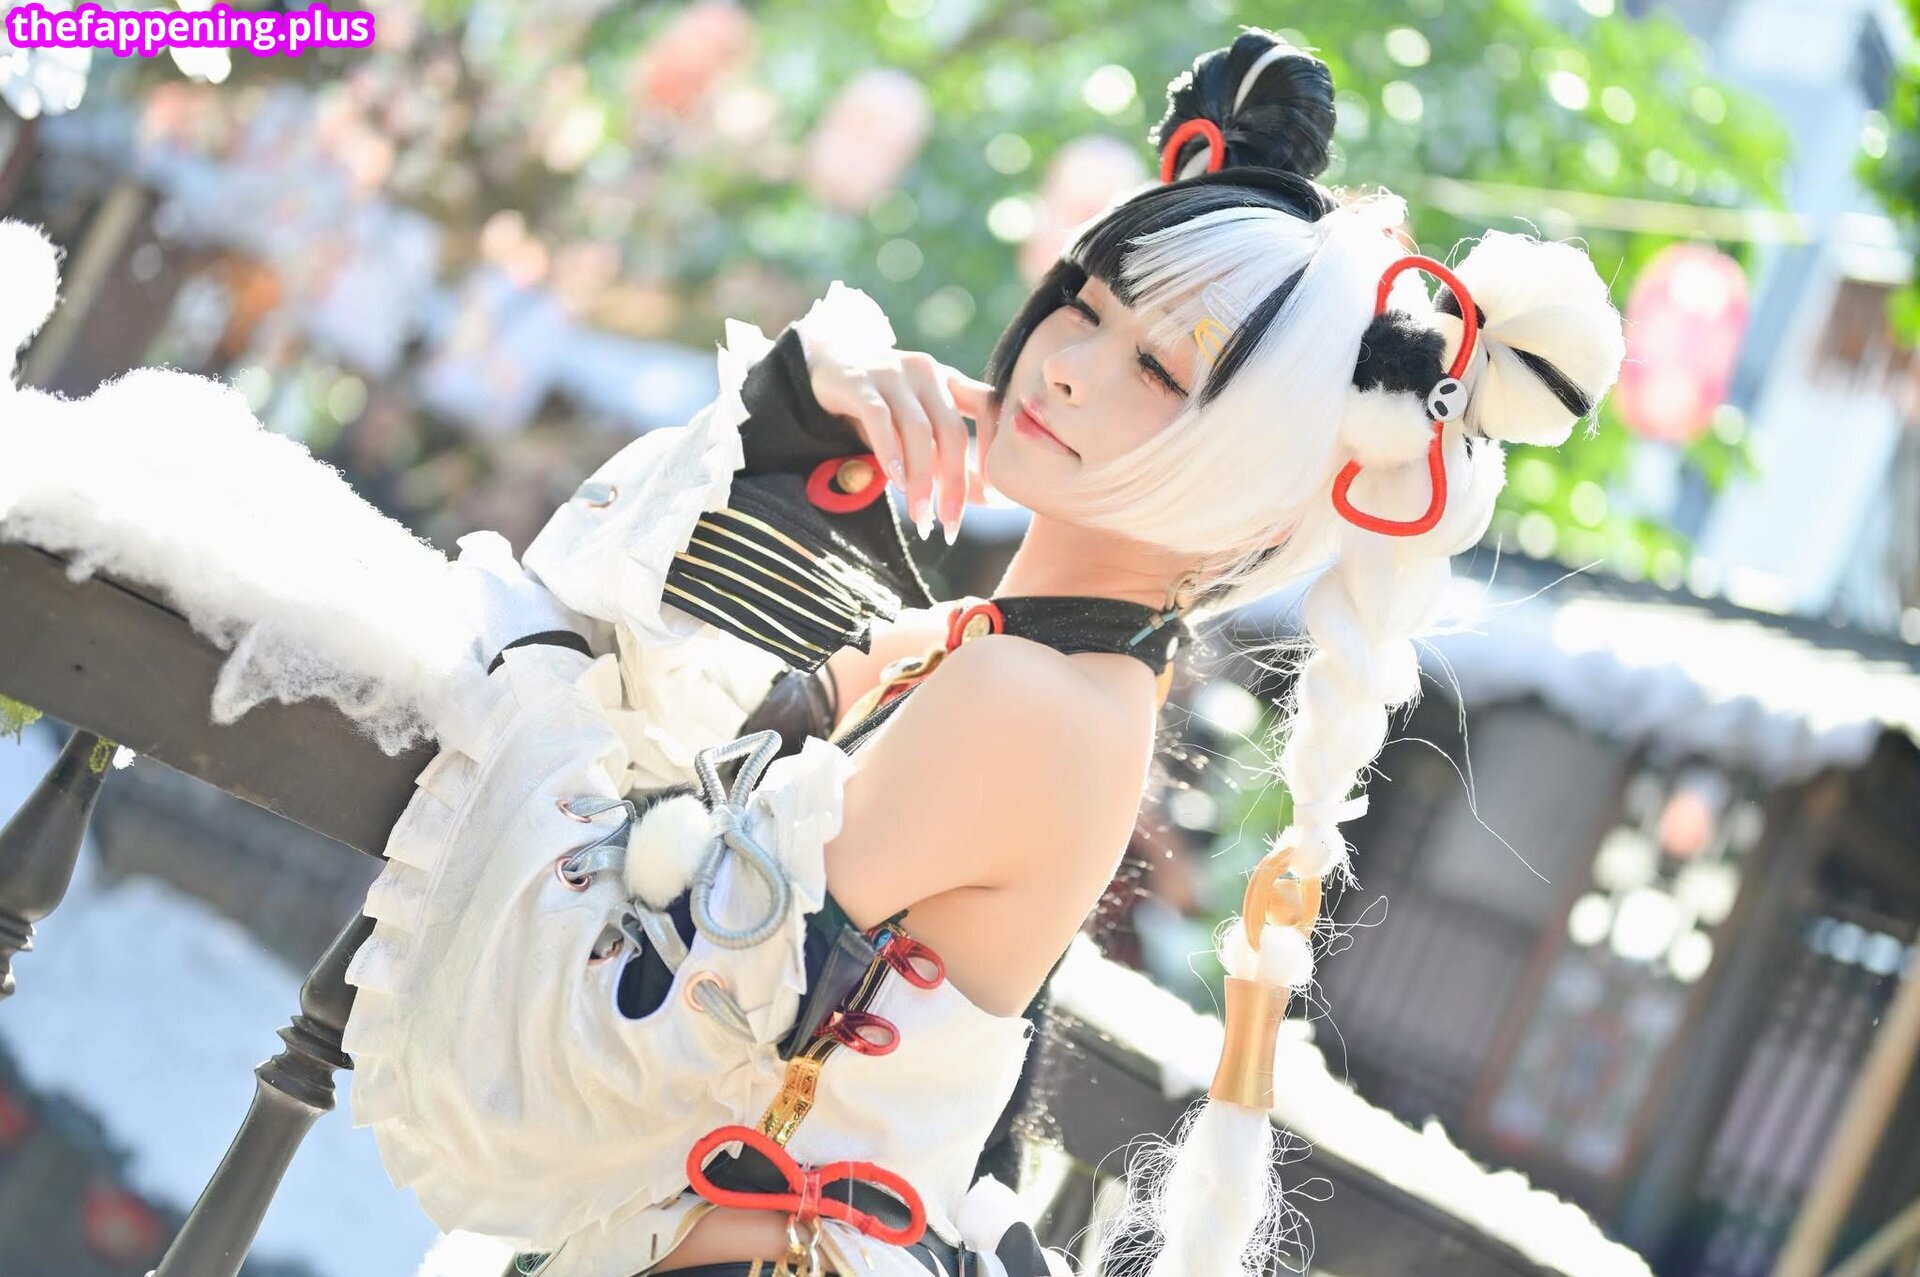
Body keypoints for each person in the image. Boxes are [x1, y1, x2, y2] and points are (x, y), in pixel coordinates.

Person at [329, 28, 1628, 1277]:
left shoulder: (1025, 698)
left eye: (1160, 371)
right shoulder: (1013, 659)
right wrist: (800, 422)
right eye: (1088, 304)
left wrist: (537, 655)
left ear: (1259, 482)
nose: (1067, 367)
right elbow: (673, 732)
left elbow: (597, 1019)